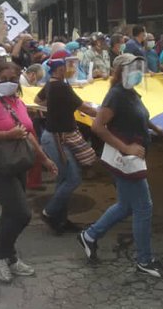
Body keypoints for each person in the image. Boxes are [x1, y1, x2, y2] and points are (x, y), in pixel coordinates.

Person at [78, 54, 163, 279]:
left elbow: (137, 115)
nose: (137, 71)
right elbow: (98, 126)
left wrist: (154, 128)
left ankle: (90, 236)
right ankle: (144, 260)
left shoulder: (129, 92)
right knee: (143, 207)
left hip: (131, 156)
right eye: (132, 67)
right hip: (126, 160)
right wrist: (127, 147)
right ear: (120, 70)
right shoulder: (116, 95)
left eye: (138, 67)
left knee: (125, 205)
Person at [0, 62, 58, 283]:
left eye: (13, 78)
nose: (8, 82)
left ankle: (9, 256)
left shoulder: (18, 103)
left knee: (11, 214)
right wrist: (8, 134)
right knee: (22, 214)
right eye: (3, 78)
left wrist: (45, 159)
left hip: (19, 165)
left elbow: (28, 135)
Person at [35, 50, 97, 234]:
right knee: (73, 178)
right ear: (61, 69)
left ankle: (60, 220)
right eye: (68, 67)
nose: (71, 70)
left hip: (55, 136)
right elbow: (85, 108)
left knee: (63, 179)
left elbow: (37, 100)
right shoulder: (62, 86)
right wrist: (105, 116)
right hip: (57, 139)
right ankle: (49, 212)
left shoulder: (50, 85)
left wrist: (56, 107)